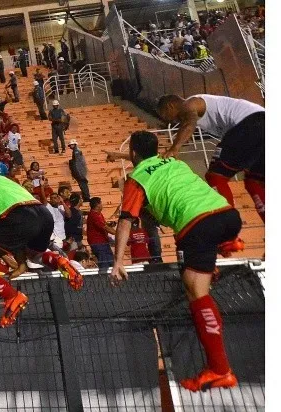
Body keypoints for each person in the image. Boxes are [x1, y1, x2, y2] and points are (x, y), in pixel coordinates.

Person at [110, 130, 242, 391]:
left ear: (133, 153)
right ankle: (227, 244)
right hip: (227, 215)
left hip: (197, 225)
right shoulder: (174, 162)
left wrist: (117, 261)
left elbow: (125, 220)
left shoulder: (136, 179)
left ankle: (220, 370)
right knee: (193, 258)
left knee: (196, 290)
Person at [0, 175, 83, 328]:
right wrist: (21, 264)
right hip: (43, 215)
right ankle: (58, 261)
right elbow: (15, 238)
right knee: (34, 255)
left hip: (18, 218)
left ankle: (10, 295)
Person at [156, 94, 264, 221]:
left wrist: (174, 148)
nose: (168, 121)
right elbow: (188, 127)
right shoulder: (195, 112)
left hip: (252, 123)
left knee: (216, 176)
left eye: (164, 115)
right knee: (254, 182)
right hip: (260, 126)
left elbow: (189, 125)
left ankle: (227, 225)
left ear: (170, 106)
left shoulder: (191, 103)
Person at [86, 197, 116, 271]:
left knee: (111, 263)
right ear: (98, 205)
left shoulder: (98, 214)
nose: (102, 205)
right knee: (104, 265)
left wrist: (110, 224)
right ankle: (103, 280)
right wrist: (118, 234)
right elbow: (105, 227)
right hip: (98, 243)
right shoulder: (94, 215)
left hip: (103, 242)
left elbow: (104, 225)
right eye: (101, 203)